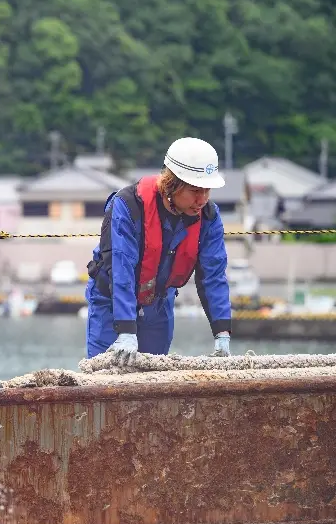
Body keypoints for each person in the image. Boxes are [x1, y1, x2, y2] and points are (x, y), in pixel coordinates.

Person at [85, 137, 232, 365]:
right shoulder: (127, 206)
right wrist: (125, 329)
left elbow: (213, 275)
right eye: (195, 191)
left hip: (158, 305)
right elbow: (121, 268)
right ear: (172, 183)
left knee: (153, 381)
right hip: (111, 303)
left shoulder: (209, 217)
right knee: (104, 378)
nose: (202, 199)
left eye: (207, 191)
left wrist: (222, 332)